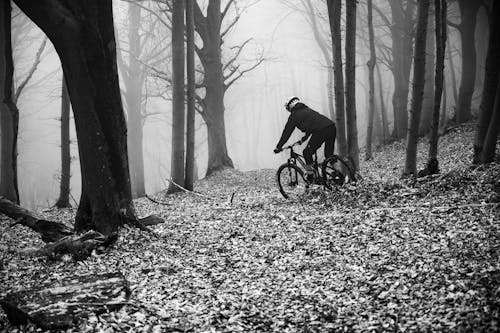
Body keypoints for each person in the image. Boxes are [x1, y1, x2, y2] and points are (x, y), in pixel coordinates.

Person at [274, 96, 336, 179]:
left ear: (290, 106)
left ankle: (312, 176)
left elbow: (287, 132)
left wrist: (279, 146)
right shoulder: (307, 110)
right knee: (329, 155)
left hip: (321, 131)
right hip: (331, 127)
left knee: (307, 152)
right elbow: (312, 125)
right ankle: (339, 174)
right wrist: (304, 139)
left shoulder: (294, 115)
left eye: (288, 109)